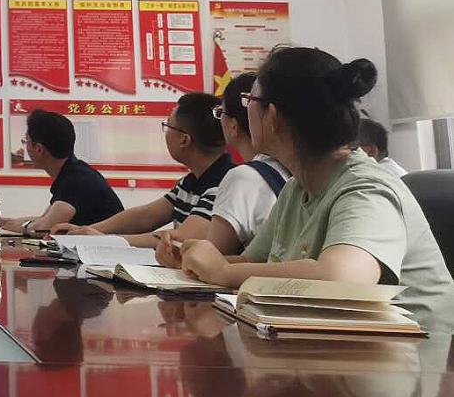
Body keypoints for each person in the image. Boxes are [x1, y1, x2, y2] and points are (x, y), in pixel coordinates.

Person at [179, 48, 454, 325]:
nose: (246, 107)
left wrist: (223, 272)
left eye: (249, 99)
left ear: (272, 117)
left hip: (418, 348)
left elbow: (344, 280)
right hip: (336, 338)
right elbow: (253, 263)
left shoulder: (366, 188)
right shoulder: (296, 188)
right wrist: (194, 261)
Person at [52, 92, 234, 249]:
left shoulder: (225, 184)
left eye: (168, 125)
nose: (165, 132)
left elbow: (181, 238)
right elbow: (146, 216)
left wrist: (106, 240)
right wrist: (89, 230)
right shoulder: (191, 181)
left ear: (184, 140)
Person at [156, 73, 290, 267]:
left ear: (233, 126)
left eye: (221, 113)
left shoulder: (243, 178)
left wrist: (181, 259)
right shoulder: (291, 172)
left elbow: (209, 262)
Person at [0, 109, 122, 234]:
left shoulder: (77, 181)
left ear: (39, 149)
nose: (25, 147)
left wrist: (19, 226)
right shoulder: (73, 173)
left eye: (26, 142)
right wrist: (1, 222)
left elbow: (43, 229)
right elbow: (44, 219)